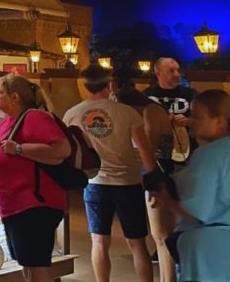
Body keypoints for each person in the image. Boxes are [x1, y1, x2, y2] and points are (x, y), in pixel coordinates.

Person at [63, 65, 159, 282]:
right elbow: (144, 148)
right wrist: (154, 178)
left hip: (94, 181)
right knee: (137, 243)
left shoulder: (72, 114)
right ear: (109, 84)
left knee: (98, 241)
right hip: (128, 182)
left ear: (85, 85)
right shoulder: (127, 112)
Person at [0, 74, 71, 282]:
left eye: (0, 93)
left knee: (36, 265)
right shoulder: (6, 123)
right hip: (14, 206)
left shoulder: (35, 117)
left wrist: (19, 149)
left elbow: (62, 149)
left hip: (34, 203)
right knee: (28, 264)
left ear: (14, 96)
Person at [149, 89, 230, 282]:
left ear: (220, 120)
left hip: (209, 246)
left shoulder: (209, 155)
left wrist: (167, 199)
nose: (192, 121)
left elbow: (196, 209)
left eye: (198, 117)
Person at [117, 86, 176, 282]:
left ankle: (169, 279)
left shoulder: (150, 111)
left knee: (161, 234)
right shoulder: (152, 110)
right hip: (156, 172)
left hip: (158, 173)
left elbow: (149, 145)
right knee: (159, 234)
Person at [143, 57, 196, 170]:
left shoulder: (191, 94)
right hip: (156, 156)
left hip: (184, 153)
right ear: (158, 73)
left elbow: (205, 120)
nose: (177, 74)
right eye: (171, 71)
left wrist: (189, 121)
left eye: (178, 70)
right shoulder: (146, 96)